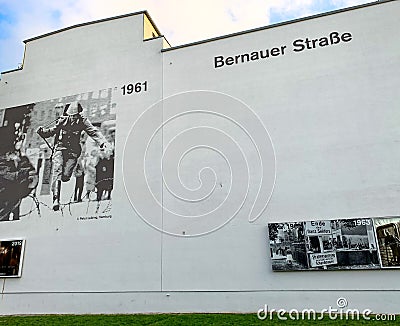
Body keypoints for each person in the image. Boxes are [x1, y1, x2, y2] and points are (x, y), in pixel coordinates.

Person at [37, 102, 110, 210]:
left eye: (75, 116)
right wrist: (43, 132)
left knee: (65, 176)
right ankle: (56, 199)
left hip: (73, 152)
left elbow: (93, 132)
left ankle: (63, 178)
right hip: (60, 148)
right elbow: (52, 131)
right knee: (57, 170)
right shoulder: (63, 120)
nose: (73, 118)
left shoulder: (83, 121)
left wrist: (102, 142)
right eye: (71, 115)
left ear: (79, 114)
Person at [0, 123, 38, 221]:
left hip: (14, 198)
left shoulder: (19, 156)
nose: (19, 140)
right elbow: (7, 175)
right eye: (16, 137)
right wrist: (24, 174)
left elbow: (30, 172)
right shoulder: (3, 158)